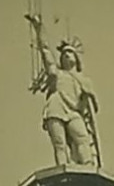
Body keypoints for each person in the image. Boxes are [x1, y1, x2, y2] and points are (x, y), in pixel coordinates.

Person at [25, 13, 99, 167]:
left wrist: (88, 97)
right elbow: (45, 50)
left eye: (70, 52)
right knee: (60, 143)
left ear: (77, 58)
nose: (66, 55)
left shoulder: (84, 80)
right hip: (56, 108)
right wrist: (39, 28)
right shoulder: (57, 73)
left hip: (74, 112)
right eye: (64, 53)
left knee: (82, 139)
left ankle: (88, 165)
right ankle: (63, 167)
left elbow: (89, 109)